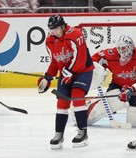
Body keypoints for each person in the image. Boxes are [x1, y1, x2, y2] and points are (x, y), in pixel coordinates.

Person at [37, 14, 94, 150]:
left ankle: (82, 132)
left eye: (56, 29)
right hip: (66, 72)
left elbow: (81, 57)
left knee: (77, 95)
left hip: (82, 71)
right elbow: (54, 62)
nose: (54, 32)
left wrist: (71, 71)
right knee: (62, 102)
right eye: (52, 30)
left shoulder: (75, 34)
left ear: (63, 26)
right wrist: (47, 78)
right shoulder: (49, 41)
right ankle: (59, 134)